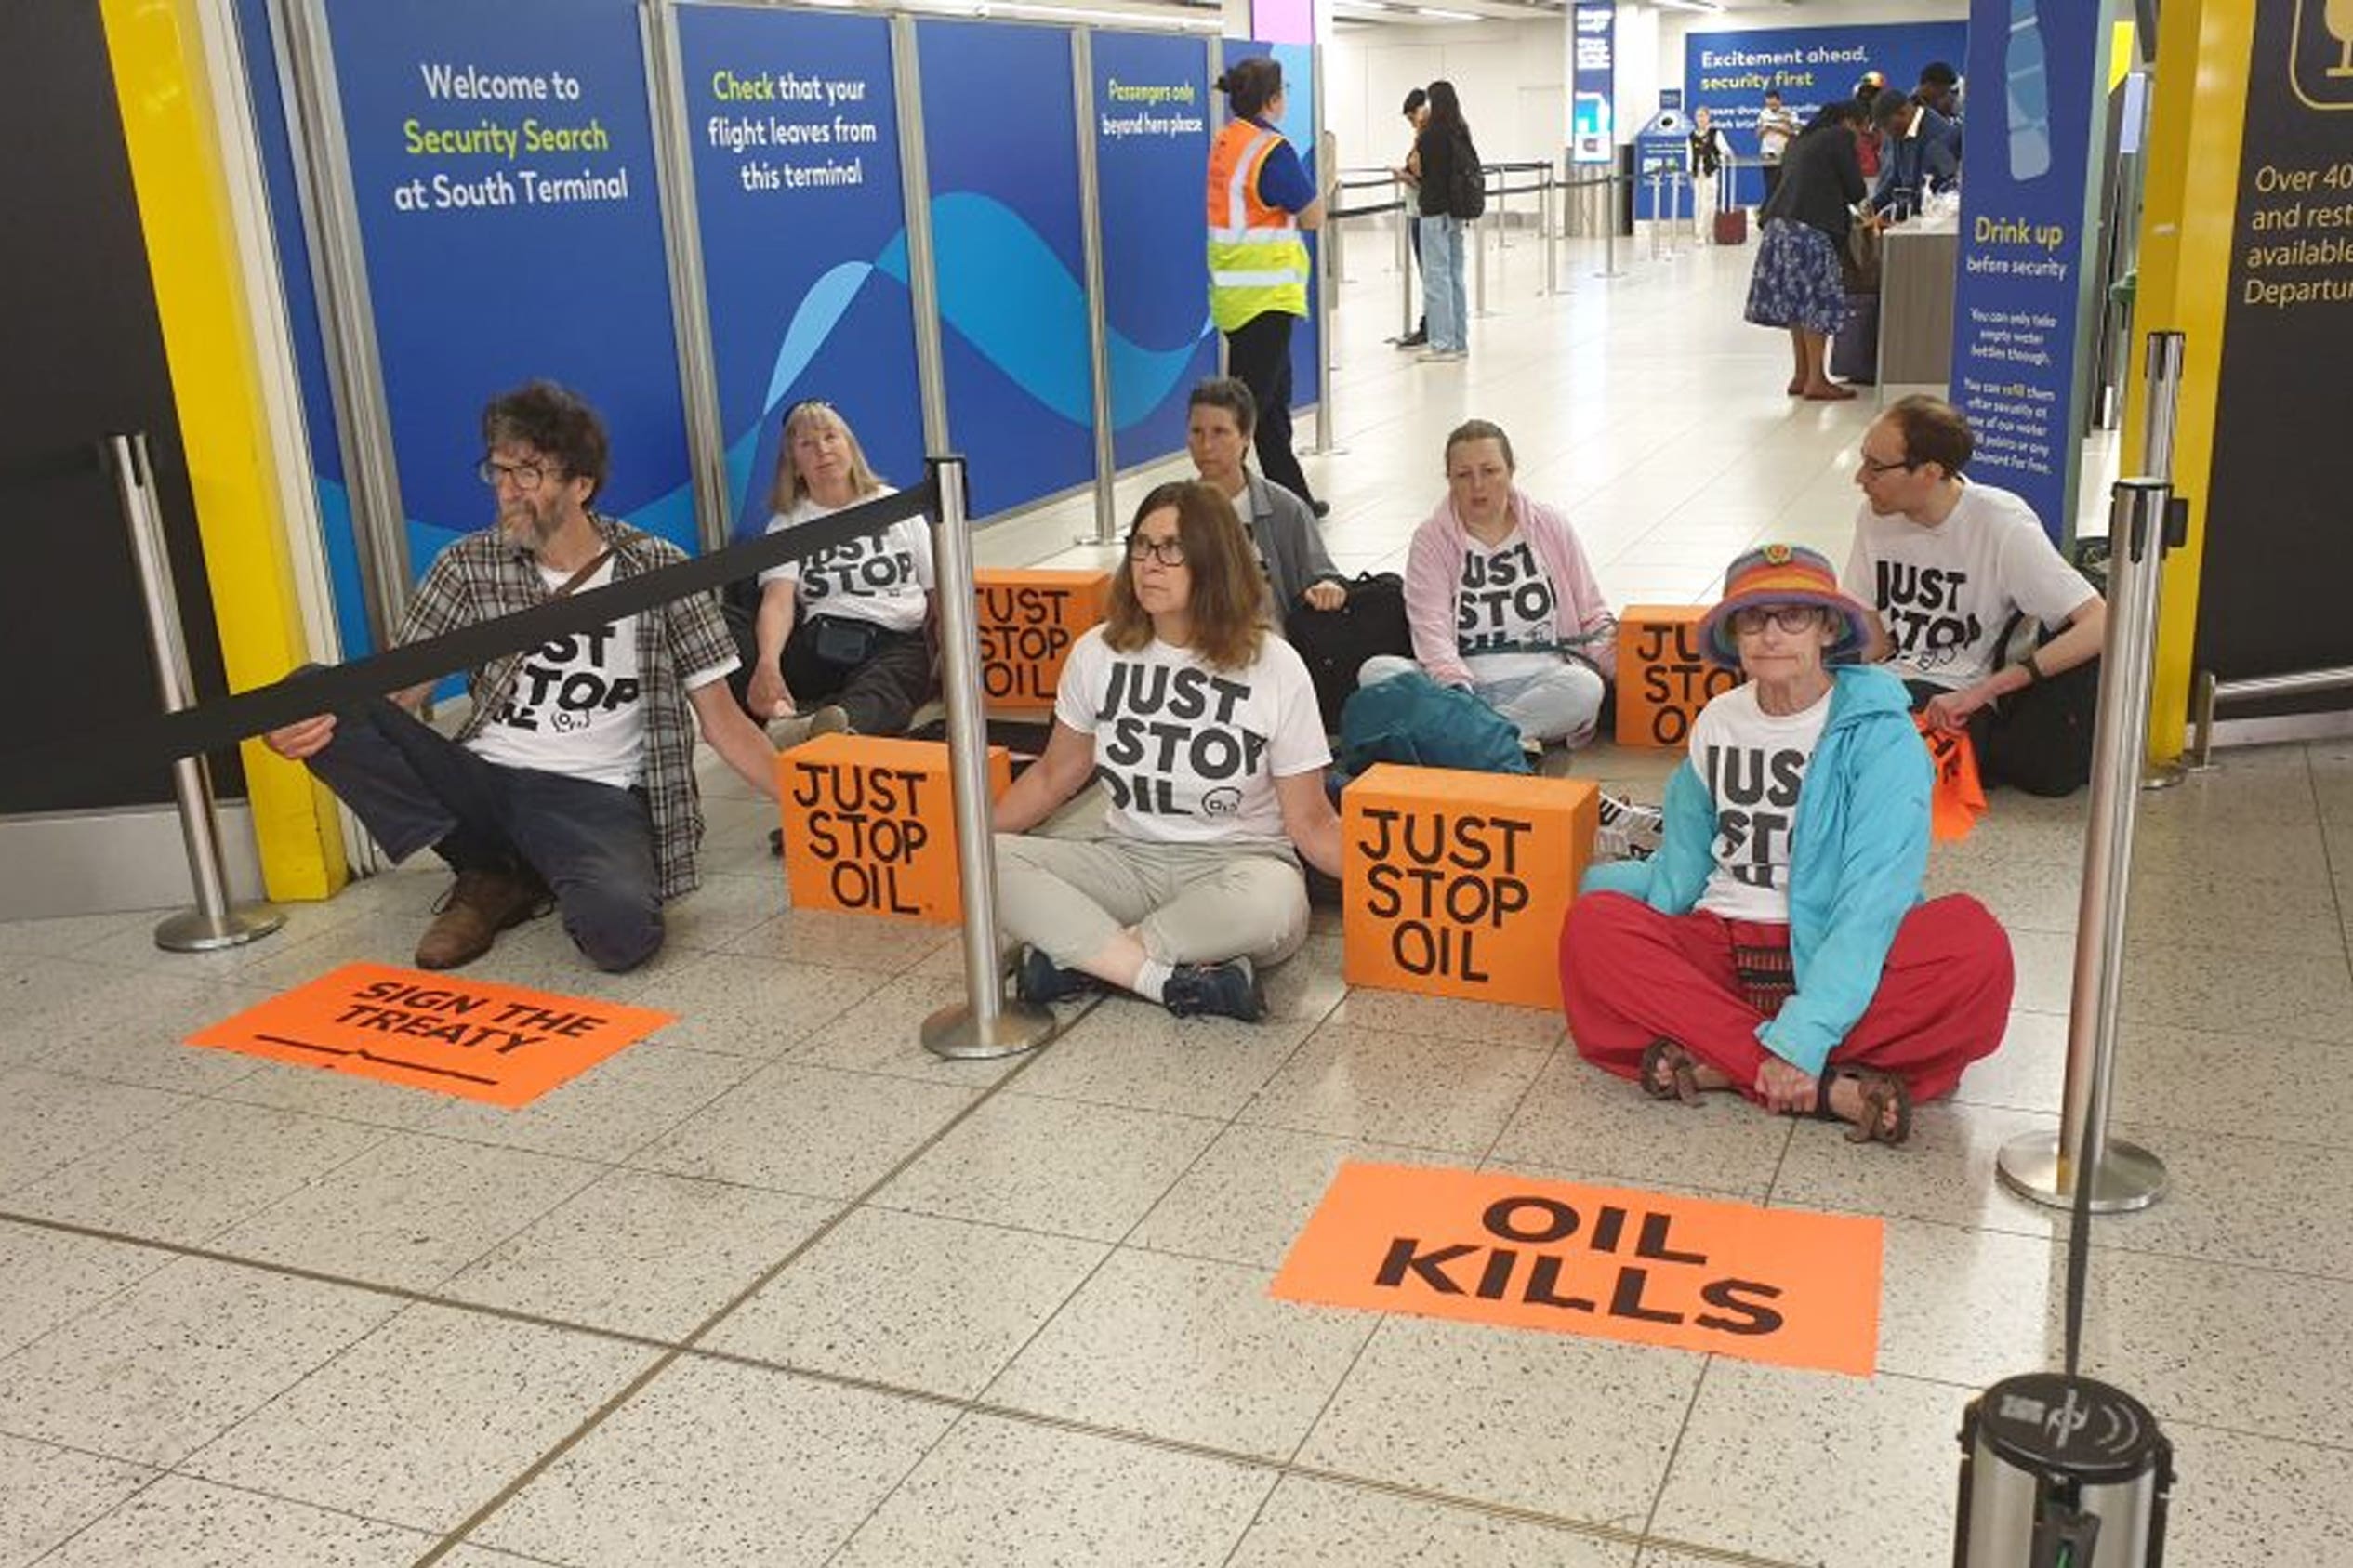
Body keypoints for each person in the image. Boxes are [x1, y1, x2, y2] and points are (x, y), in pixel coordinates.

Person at [263, 382, 777, 973]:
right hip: (483, 780)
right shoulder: (467, 564)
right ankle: (487, 867)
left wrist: (817, 814)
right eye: (498, 471)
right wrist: (307, 727)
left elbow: (724, 722)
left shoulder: (658, 568)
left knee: (622, 939)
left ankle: (511, 877)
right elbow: (397, 697)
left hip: (594, 794)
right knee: (311, 687)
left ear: (581, 485)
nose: (507, 492)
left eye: (528, 474)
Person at [1559, 543, 2014, 1148]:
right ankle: (1824, 1086)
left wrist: (1804, 1029)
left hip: (1834, 948)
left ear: (1827, 629)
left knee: (1973, 947)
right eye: (1753, 618)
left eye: (1792, 616)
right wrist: (1624, 921)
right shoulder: (1718, 719)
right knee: (1592, 927)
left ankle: (1727, 1058)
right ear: (1733, 634)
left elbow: (1871, 899)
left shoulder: (1882, 737)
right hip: (1722, 941)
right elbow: (1682, 865)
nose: (1770, 635)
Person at [991, 481, 1342, 1023]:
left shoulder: (1275, 665)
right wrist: (971, 847)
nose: (1150, 563)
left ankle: (1084, 958)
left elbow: (1313, 822)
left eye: (1172, 548)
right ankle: (1164, 977)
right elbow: (1053, 775)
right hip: (1127, 861)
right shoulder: (1098, 652)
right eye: (1142, 545)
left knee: (1272, 905)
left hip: (1240, 867)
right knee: (987, 862)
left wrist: (1405, 889)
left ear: (1214, 560)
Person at [1844, 396, 2106, 794]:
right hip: (1890, 681)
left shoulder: (2001, 525)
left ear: (1930, 472)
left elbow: (2101, 623)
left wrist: (1986, 690)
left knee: (1867, 763)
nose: (1860, 478)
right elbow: (1874, 639)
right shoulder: (1877, 514)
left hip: (1960, 695)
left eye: (1876, 467)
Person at [1359, 419, 1617, 751]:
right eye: (1463, 475)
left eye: (1490, 471)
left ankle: (1461, 739)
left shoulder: (1550, 525)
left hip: (1540, 681)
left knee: (1584, 688)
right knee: (1377, 671)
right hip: (1456, 688)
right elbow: (1430, 629)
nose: (1477, 485)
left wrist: (1624, 669)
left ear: (1511, 470)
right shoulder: (1431, 539)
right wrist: (1456, 690)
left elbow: (1591, 614)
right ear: (1449, 480)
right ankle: (1500, 738)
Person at [746, 400, 936, 749]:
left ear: (850, 446)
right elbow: (777, 602)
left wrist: (951, 652)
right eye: (807, 444)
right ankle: (815, 721)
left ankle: (832, 729)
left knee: (888, 685)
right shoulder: (786, 523)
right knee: (764, 662)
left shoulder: (896, 506)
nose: (822, 450)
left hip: (896, 638)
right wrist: (767, 663)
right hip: (824, 642)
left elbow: (936, 592)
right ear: (795, 465)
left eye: (830, 437)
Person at [1209, 56, 1328, 518]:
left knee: (1272, 405)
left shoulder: (1226, 141)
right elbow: (1313, 214)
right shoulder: (1270, 149)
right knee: (1247, 408)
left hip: (1238, 293)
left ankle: (1293, 500)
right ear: (1273, 100)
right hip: (1266, 296)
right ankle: (1215, 502)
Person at [1185, 379, 1346, 617]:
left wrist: (1328, 588)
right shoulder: (1172, 512)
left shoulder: (1286, 509)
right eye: (1197, 432)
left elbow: (1323, 575)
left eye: (1220, 432)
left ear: (1246, 437)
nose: (1206, 445)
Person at [1745, 99, 1870, 401]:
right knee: (1817, 303)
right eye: (1864, 128)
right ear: (1850, 122)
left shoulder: (1801, 141)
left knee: (1798, 306)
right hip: (1810, 230)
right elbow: (1856, 190)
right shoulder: (1840, 137)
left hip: (1778, 228)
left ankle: (1801, 375)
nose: (1864, 135)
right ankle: (1817, 379)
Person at [1411, 79, 1479, 364]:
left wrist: (1418, 130)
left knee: (1435, 278)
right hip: (1456, 212)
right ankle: (1459, 340)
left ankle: (1442, 344)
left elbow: (1418, 171)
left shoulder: (1429, 137)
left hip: (1434, 211)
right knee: (1455, 276)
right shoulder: (1460, 131)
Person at [1868, 86, 1960, 223]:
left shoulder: (1940, 136)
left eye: (1886, 125)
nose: (1886, 132)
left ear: (1903, 112)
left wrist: (1891, 215)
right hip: (1911, 216)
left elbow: (1939, 190)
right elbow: (1896, 180)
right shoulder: (1899, 133)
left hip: (1937, 220)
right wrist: (1871, 208)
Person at [1393, 87, 1430, 349]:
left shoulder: (1426, 139)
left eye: (1411, 117)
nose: (1412, 123)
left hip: (1422, 213)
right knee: (1431, 273)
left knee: (1430, 274)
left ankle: (1429, 326)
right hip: (1419, 212)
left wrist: (1404, 176)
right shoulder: (1424, 137)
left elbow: (1424, 181)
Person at [1688, 104, 1732, 244]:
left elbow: (1725, 149)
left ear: (1708, 117)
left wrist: (1724, 155)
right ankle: (1698, 233)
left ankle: (1706, 232)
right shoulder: (1691, 136)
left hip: (1710, 172)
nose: (1700, 119)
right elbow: (1689, 156)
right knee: (1698, 203)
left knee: (1709, 203)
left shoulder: (1715, 133)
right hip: (1697, 173)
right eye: (1698, 116)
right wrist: (1690, 171)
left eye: (1703, 116)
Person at [1755, 89, 1801, 204]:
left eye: (1774, 104)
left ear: (1780, 101)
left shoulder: (1790, 113)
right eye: (1769, 105)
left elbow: (1796, 132)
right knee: (1770, 186)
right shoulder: (1763, 113)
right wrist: (1762, 130)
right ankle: (1770, 214)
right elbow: (1757, 134)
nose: (1771, 107)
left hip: (1784, 154)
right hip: (1767, 154)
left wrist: (1777, 128)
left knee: (1784, 186)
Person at [1914, 61, 1964, 161]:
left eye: (1947, 91)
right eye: (1943, 91)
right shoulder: (1913, 108)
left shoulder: (1953, 99)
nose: (1946, 94)